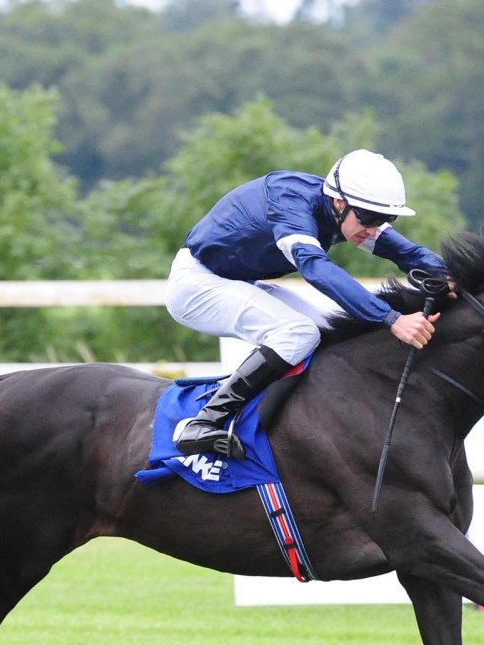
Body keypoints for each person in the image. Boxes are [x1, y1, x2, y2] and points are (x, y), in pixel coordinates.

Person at [166, 149, 451, 460]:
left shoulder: (347, 212)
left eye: (385, 219)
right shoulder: (291, 204)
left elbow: (407, 253)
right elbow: (315, 269)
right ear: (339, 203)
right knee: (298, 333)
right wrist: (391, 318)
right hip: (196, 285)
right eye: (370, 218)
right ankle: (204, 422)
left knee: (331, 330)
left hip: (237, 281)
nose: (373, 229)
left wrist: (451, 277)